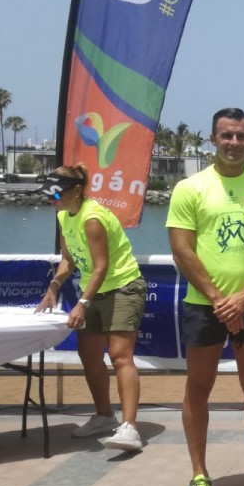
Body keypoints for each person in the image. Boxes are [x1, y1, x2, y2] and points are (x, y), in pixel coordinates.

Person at [167, 108, 244, 486]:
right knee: (198, 390)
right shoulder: (190, 188)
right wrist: (221, 300)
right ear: (212, 139)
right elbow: (181, 249)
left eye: (240, 136)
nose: (233, 143)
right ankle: (200, 475)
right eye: (226, 136)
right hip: (205, 307)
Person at [34, 164, 146, 451]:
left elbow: (101, 266)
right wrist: (53, 288)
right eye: (50, 194)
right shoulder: (63, 215)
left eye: (57, 194)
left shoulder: (93, 217)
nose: (52, 200)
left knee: (121, 356)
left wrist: (82, 303)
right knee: (89, 355)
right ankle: (105, 416)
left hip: (123, 287)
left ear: (78, 191)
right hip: (93, 290)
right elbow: (69, 259)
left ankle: (130, 427)